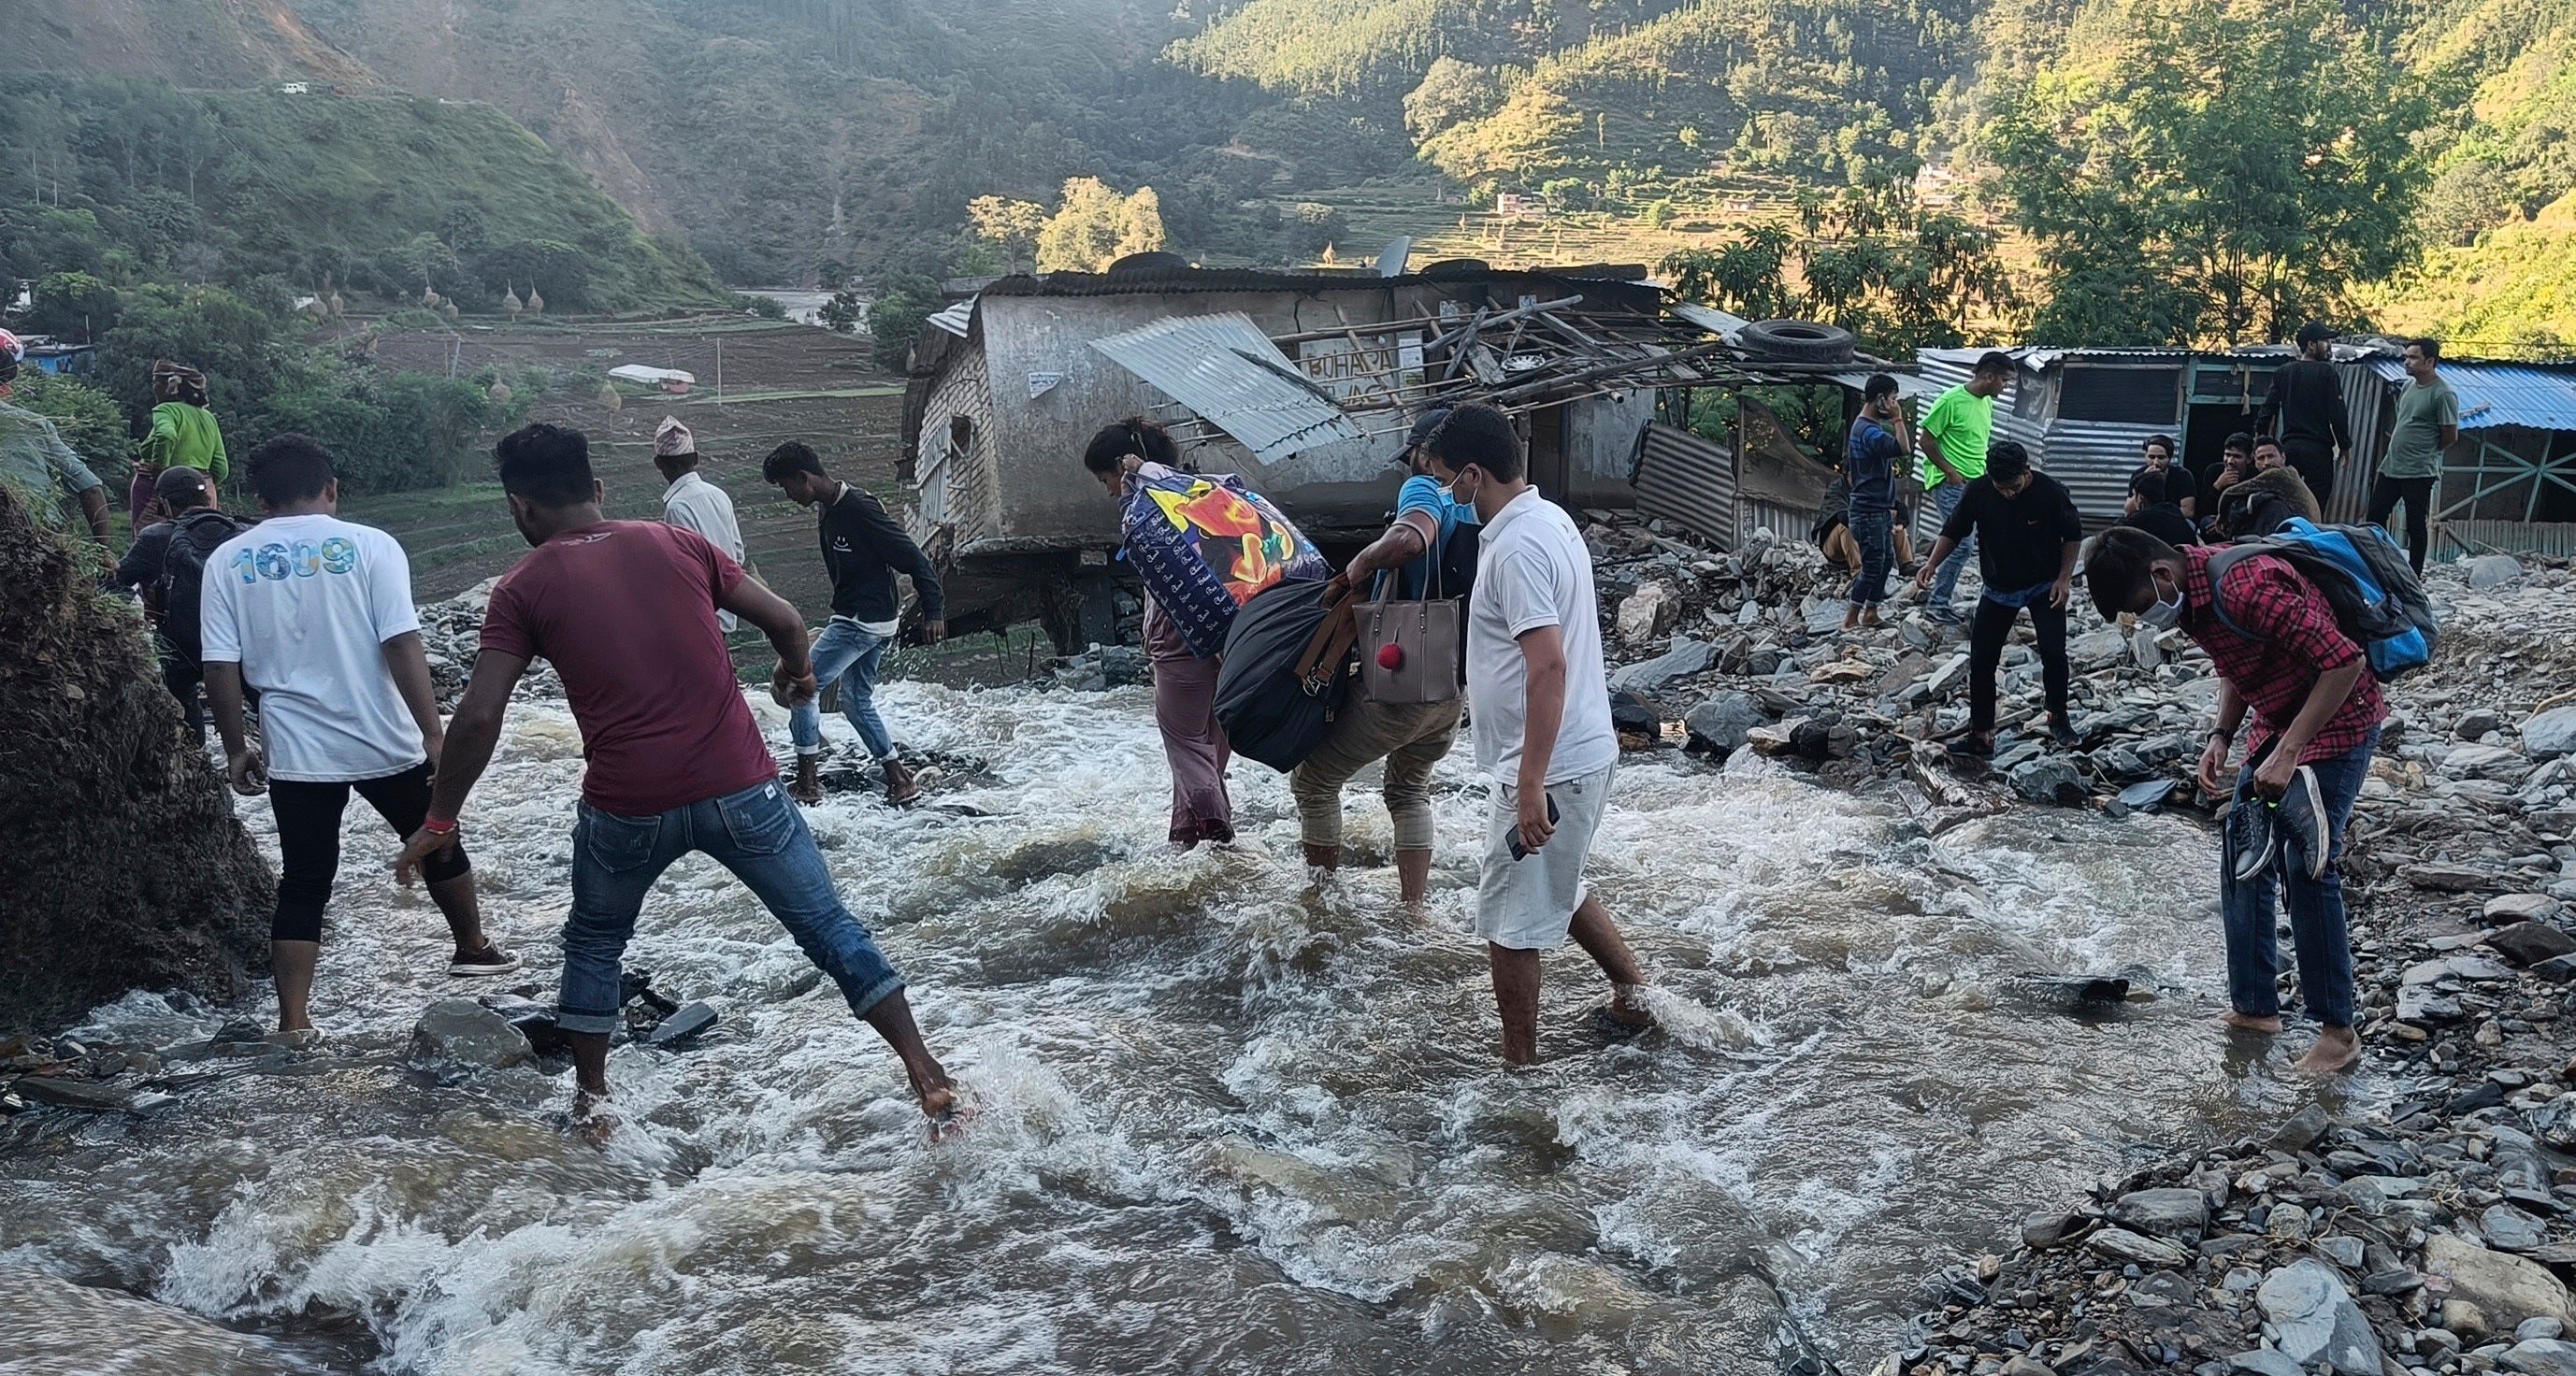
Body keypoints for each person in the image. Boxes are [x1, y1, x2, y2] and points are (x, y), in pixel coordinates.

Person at [393, 423, 956, 1136]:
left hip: (629, 807)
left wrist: (439, 820)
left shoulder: (521, 587)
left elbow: (477, 719)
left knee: (596, 943)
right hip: (741, 790)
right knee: (826, 927)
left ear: (518, 508)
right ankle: (925, 1072)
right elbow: (785, 620)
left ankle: (593, 1103)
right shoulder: (679, 545)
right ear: (596, 490)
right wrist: (799, 673)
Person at [199, 434, 518, 1044]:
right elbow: (401, 642)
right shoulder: (372, 546)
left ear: (258, 497)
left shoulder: (228, 560)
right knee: (436, 837)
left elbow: (220, 664)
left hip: (296, 747)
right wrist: (433, 732)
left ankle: (293, 1021)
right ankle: (472, 947)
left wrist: (237, 745)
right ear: (332, 489)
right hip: (383, 736)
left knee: (305, 878)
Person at [2084, 524, 2385, 1073]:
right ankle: (2255, 1009)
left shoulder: (2247, 585)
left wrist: (2290, 751)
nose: (2143, 620)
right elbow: (2235, 661)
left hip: (2337, 723)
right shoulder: (2193, 595)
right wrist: (2221, 736)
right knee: (2243, 856)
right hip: (2276, 720)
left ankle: (2338, 1032)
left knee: (2308, 864)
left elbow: (2345, 662)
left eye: (2138, 607)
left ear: (2160, 574)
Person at [1413, 404, 1650, 1063]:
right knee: (1557, 882)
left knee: (1511, 925)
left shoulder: (1515, 547)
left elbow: (1547, 662)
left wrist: (1527, 781)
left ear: (1470, 475)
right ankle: (1635, 995)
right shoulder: (1547, 519)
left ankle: (1518, 1070)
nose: (1441, 495)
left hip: (1549, 763)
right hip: (1574, 750)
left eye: (1442, 480)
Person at [1290, 408, 1476, 903]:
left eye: (1415, 458)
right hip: (1453, 687)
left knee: (1314, 781)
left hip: (1402, 676)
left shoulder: (1424, 488)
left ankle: (1322, 901)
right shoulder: (1483, 506)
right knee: (1409, 790)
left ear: (1428, 454)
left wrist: (1361, 563)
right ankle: (1413, 908)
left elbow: (1410, 538)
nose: (1411, 467)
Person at [762, 442, 945, 806]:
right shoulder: (827, 509)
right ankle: (900, 778)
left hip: (862, 621)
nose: (788, 495)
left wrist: (934, 608)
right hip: (864, 619)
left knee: (802, 688)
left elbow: (912, 557)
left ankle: (808, 784)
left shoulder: (859, 508)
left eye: (787, 486)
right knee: (855, 701)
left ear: (805, 478)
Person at [1082, 418, 1235, 848]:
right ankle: (1185, 837)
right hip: (1227, 633)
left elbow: (1155, 485)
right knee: (1208, 750)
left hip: (1177, 641)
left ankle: (1218, 837)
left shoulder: (1156, 505)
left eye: (1107, 478)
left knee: (1186, 744)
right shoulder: (1206, 494)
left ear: (1124, 468)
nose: (1110, 490)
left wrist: (1138, 471)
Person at [1911, 440, 2083, 754]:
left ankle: (2058, 716)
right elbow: (1954, 530)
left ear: (2026, 472)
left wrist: (2064, 579)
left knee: (2054, 652)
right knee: (1982, 660)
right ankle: (1982, 733)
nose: (2008, 494)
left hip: (2044, 583)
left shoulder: (2051, 492)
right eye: (2001, 488)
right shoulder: (1978, 492)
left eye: (2014, 487)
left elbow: (2073, 535)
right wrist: (1931, 563)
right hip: (1998, 587)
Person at [111, 466, 247, 735]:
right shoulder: (243, 533)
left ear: (164, 504)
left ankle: (194, 756)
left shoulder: (155, 537)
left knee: (181, 699)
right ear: (208, 499)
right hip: (240, 643)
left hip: (183, 647)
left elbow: (117, 584)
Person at [1914, 351, 2015, 624]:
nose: (2005, 387)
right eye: (2004, 381)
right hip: (1951, 483)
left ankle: (1990, 598)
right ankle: (1937, 603)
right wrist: (1949, 472)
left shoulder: (1986, 403)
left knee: (1984, 539)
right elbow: (1926, 440)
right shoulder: (1951, 401)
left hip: (1977, 481)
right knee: (1961, 544)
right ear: (1989, 376)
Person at [0, 331, 113, 544]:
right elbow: (91, 489)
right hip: (38, 541)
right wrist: (103, 551)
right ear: (6, 387)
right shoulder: (33, 425)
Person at [2367, 337, 2459, 576]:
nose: (2407, 362)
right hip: (2392, 465)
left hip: (2419, 469)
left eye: (2413, 357)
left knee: (2415, 523)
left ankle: (2414, 574)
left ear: (2430, 361)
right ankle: (2375, 563)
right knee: (2375, 514)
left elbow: (2450, 435)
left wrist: (2425, 450)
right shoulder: (2408, 386)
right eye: (2406, 356)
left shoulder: (2443, 393)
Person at [655, 416, 746, 632]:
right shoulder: (718, 494)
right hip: (727, 606)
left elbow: (688, 569)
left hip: (703, 613)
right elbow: (738, 553)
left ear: (658, 464)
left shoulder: (676, 507)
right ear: (696, 457)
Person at [2255, 323, 2351, 507]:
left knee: (2288, 503)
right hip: (2318, 452)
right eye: (2325, 341)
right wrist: (2344, 445)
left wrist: (2260, 436)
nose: (2329, 345)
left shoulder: (2284, 372)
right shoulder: (2327, 372)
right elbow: (2337, 414)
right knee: (2315, 506)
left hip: (2289, 449)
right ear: (2311, 345)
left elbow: (2268, 408)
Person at [1842, 374, 1907, 630]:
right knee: (1872, 566)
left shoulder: (1866, 426)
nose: (1893, 404)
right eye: (1892, 399)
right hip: (1868, 512)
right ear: (1880, 399)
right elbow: (1903, 448)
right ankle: (1850, 619)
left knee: (1884, 562)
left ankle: (1871, 612)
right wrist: (1898, 418)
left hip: (1876, 510)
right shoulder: (1868, 431)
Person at [136, 361, 228, 533]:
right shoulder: (208, 418)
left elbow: (165, 435)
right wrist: (201, 481)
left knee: (150, 545)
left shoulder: (166, 410)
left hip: (163, 492)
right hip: (204, 490)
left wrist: (159, 471)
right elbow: (221, 469)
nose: (154, 388)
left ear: (169, 386)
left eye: (156, 383)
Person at [2211, 437, 2321, 540]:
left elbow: (2229, 493)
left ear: (2283, 458)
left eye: (2271, 456)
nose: (2267, 463)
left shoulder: (2278, 474)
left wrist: (2222, 516)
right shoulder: (2290, 472)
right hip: (2302, 532)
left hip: (2300, 534)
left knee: (2272, 506)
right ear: (2255, 461)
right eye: (2261, 458)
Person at [2125, 434, 2195, 521]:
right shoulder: (2138, 474)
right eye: (2151, 457)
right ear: (2145, 456)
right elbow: (2128, 510)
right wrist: (2143, 482)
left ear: (2169, 459)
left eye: (2161, 458)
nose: (2156, 462)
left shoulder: (2183, 476)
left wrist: (2158, 515)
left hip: (2172, 521)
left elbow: (2188, 511)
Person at [2198, 432, 2256, 537]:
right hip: (2216, 519)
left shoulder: (2254, 475)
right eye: (2227, 455)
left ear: (2249, 459)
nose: (2230, 461)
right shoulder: (2213, 470)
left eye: (2237, 457)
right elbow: (2202, 509)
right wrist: (2217, 487)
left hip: (2242, 522)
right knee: (2206, 523)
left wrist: (2230, 520)